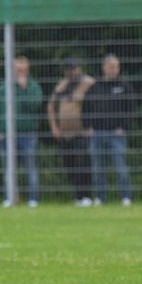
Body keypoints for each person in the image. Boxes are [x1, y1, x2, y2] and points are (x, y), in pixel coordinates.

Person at [0, 56, 43, 207]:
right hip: (7, 135)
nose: (20, 73)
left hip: (28, 134)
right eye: (17, 70)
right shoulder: (3, 89)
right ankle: (11, 197)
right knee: (9, 169)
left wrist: (24, 89)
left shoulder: (33, 87)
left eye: (23, 70)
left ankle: (33, 199)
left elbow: (35, 105)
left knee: (30, 167)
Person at [83, 54, 134, 206]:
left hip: (116, 134)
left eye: (116, 67)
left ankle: (126, 197)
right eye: (111, 66)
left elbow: (131, 109)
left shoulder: (124, 87)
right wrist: (87, 126)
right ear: (104, 68)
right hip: (97, 133)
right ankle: (100, 197)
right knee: (98, 168)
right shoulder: (95, 87)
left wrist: (123, 126)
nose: (114, 69)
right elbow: (85, 108)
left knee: (120, 167)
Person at [48, 58, 95, 206]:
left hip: (82, 132)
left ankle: (86, 196)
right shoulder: (62, 85)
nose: (72, 72)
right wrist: (54, 127)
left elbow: (97, 105)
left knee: (83, 165)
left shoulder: (89, 83)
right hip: (64, 134)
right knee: (70, 165)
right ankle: (77, 196)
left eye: (74, 69)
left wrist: (92, 125)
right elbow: (51, 106)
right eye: (68, 69)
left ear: (79, 68)